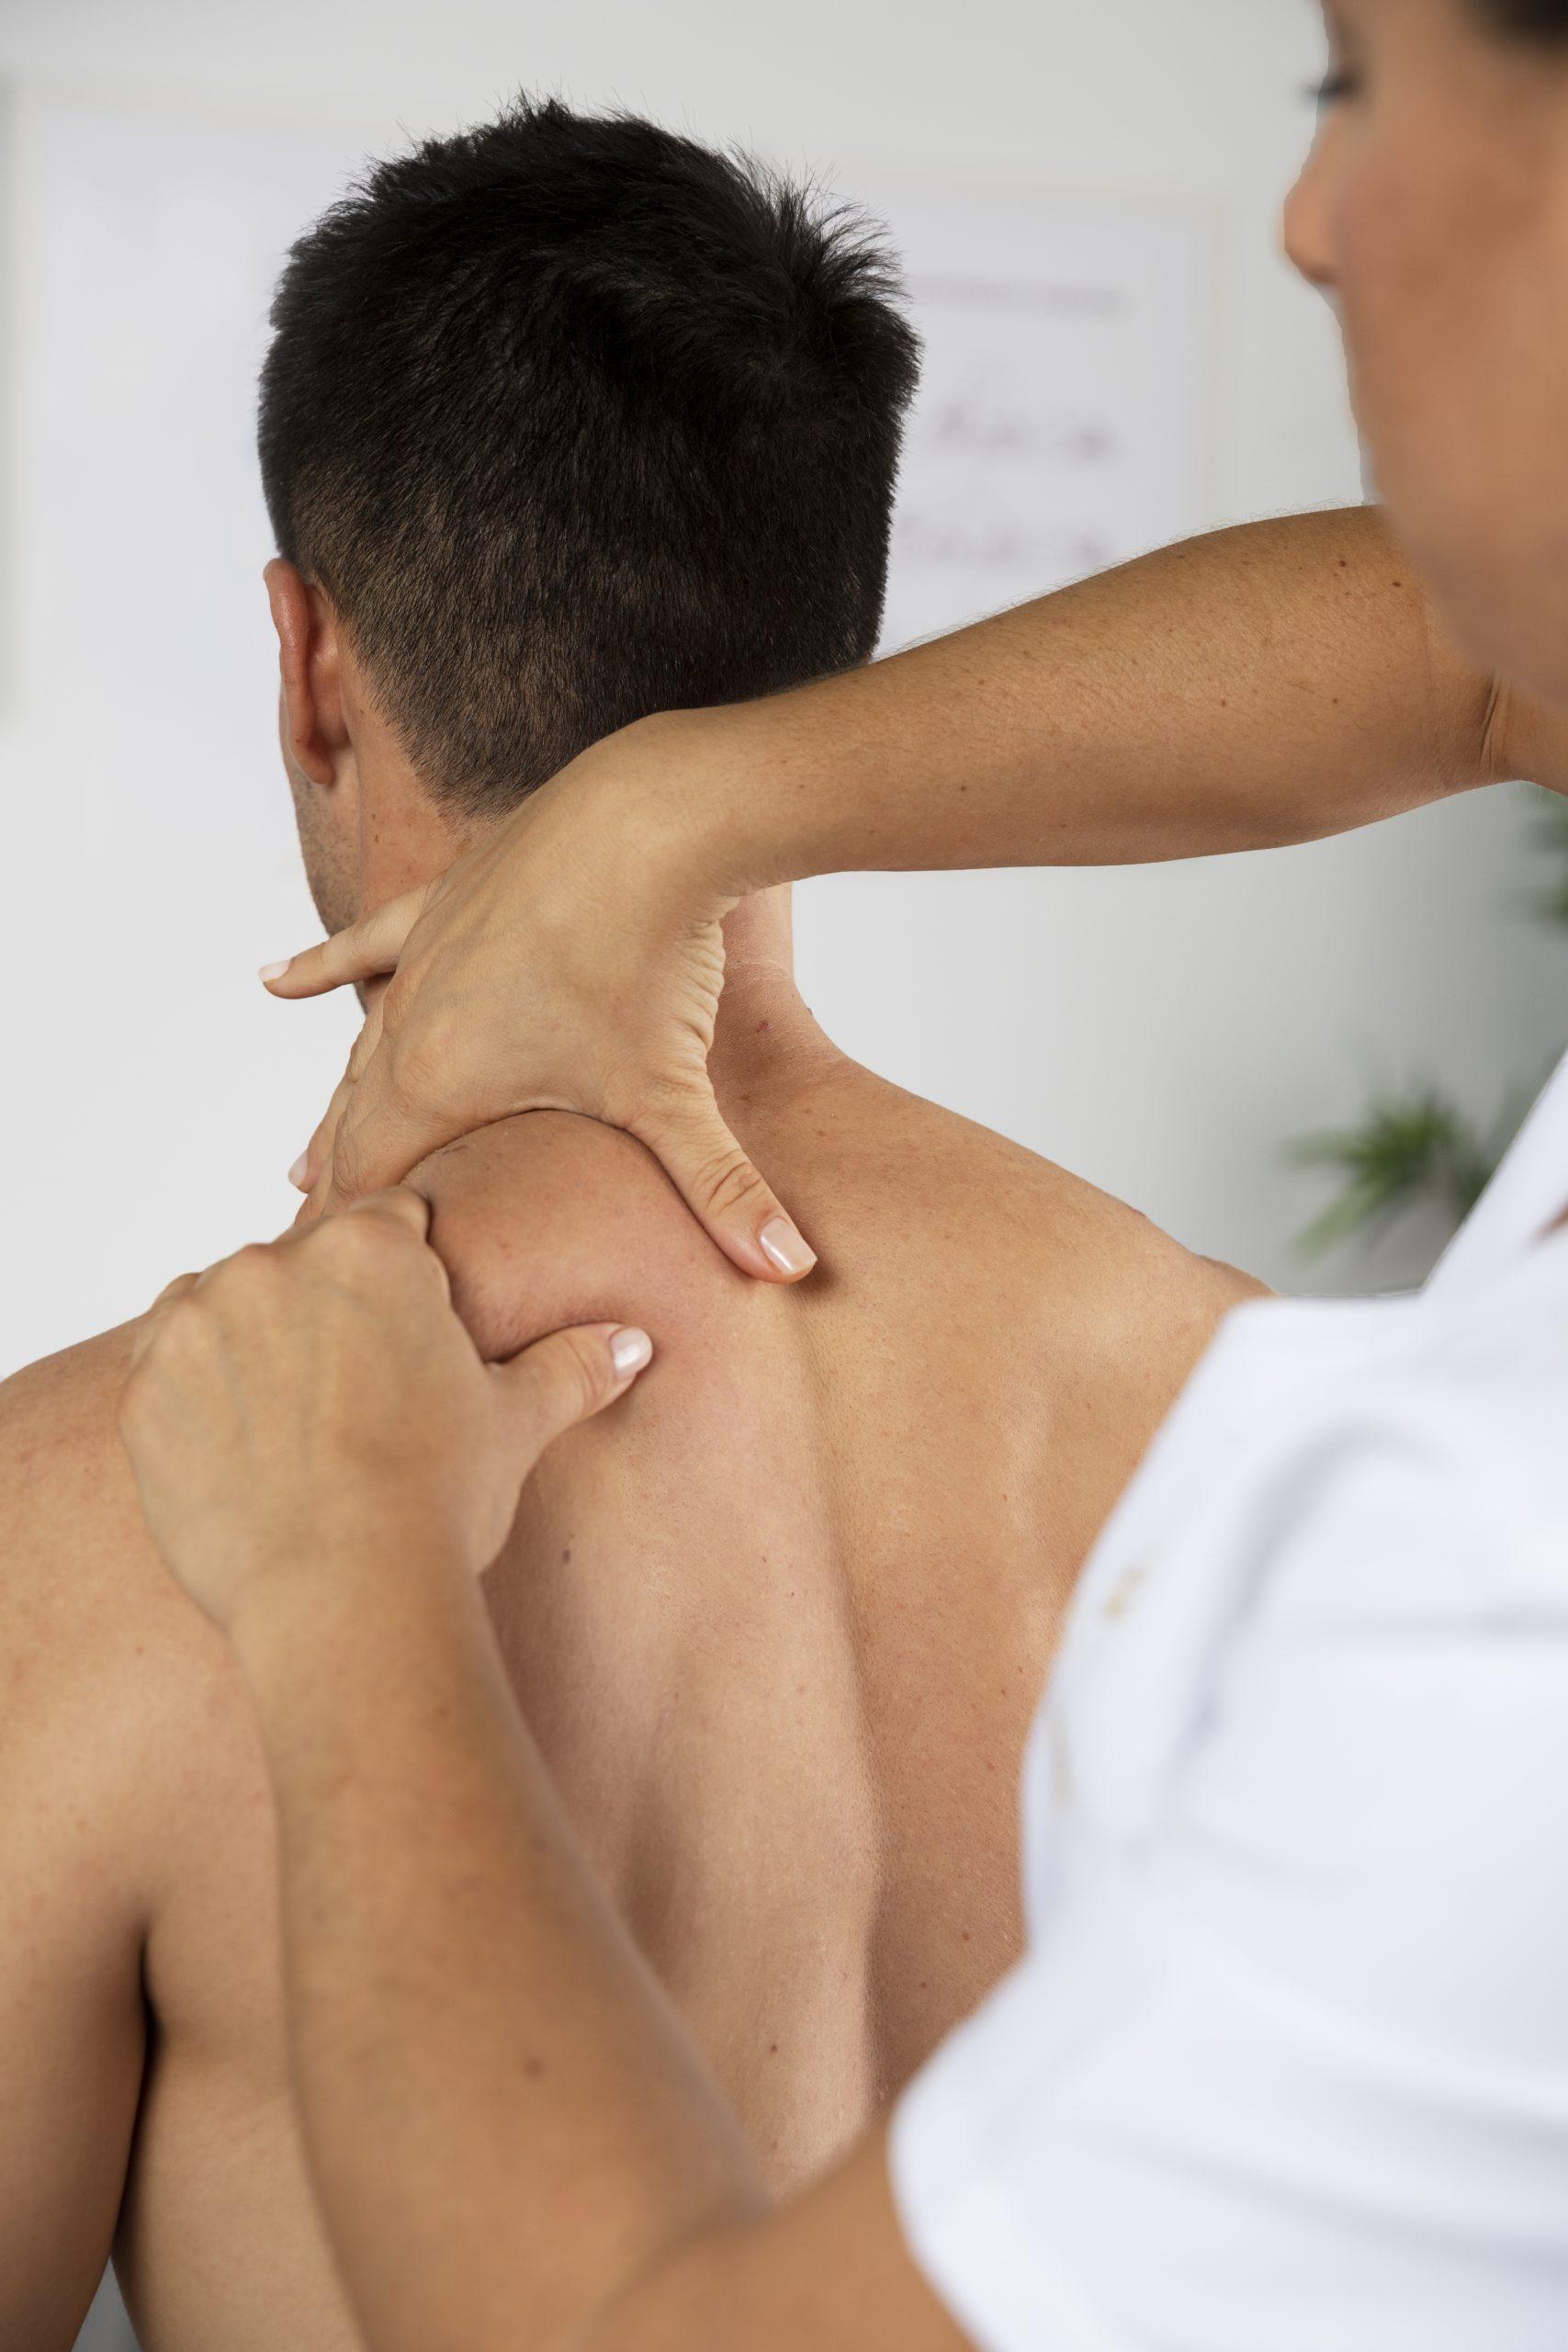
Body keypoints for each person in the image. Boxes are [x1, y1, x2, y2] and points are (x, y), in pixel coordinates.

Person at [118, 2, 1568, 2347]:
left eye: (1349, 87)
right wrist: (668, 801)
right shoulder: (1234, 1400)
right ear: (839, 633)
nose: (1301, 211)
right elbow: (1491, 674)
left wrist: (343, 1578)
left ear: (308, 660)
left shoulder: (112, 1510)